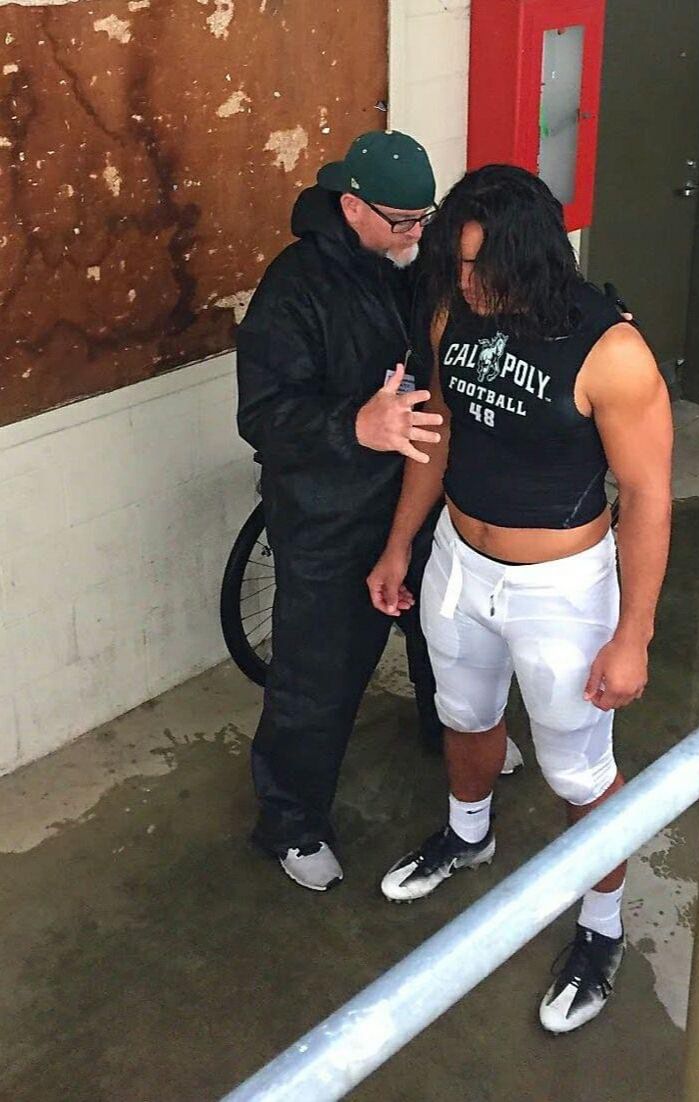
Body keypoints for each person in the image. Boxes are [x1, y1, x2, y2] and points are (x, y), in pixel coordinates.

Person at [367, 164, 673, 1033]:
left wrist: (633, 635)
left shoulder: (610, 351)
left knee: (577, 769)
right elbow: (439, 437)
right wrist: (400, 543)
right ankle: (469, 835)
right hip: (459, 564)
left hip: (561, 589)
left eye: (482, 266)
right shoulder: (451, 312)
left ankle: (601, 927)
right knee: (464, 717)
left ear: (531, 255)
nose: (467, 283)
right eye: (457, 264)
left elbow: (647, 496)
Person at [235, 130, 448, 892]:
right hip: (328, 518)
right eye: (402, 221)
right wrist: (354, 426)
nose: (417, 234)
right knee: (316, 677)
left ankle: (450, 732)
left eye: (425, 218)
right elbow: (262, 416)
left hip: (417, 495)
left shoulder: (413, 263)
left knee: (441, 633)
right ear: (352, 206)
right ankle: (291, 824)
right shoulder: (294, 289)